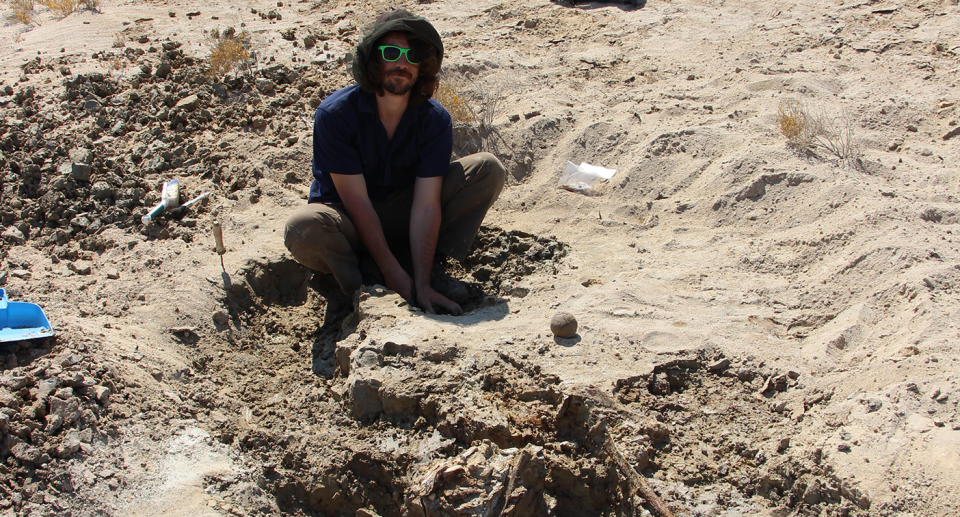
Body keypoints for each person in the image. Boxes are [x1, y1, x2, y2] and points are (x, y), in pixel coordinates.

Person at [284, 9, 506, 316]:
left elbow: (426, 205)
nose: (401, 63)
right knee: (302, 227)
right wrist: (390, 271)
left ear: (422, 65)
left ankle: (426, 269)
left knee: (487, 169)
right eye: (391, 52)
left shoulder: (434, 120)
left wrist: (423, 282)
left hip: (402, 213)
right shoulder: (335, 115)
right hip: (347, 219)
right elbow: (357, 202)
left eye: (412, 54)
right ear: (374, 59)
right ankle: (361, 288)